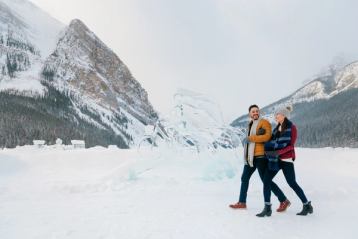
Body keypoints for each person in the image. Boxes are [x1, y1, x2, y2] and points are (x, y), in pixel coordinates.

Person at [229, 105, 289, 211]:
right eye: (253, 111)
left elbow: (267, 136)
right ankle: (242, 202)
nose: (255, 113)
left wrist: (251, 138)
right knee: (244, 178)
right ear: (250, 114)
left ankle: (283, 200)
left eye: (257, 111)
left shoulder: (264, 122)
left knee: (266, 180)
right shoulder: (250, 125)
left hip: (261, 156)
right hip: (250, 158)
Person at [256, 105, 313, 217]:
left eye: (277, 114)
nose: (275, 116)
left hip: (286, 159)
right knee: (266, 180)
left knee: (292, 183)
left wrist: (278, 152)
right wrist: (263, 135)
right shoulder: (276, 129)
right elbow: (271, 141)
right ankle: (267, 207)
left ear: (284, 115)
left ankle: (307, 205)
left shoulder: (292, 128)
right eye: (275, 114)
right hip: (275, 159)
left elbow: (290, 146)